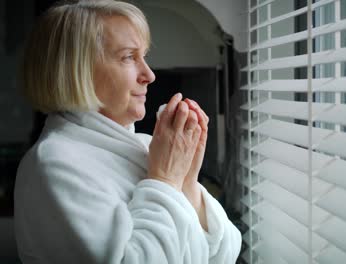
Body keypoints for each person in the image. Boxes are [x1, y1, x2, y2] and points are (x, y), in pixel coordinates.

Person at [14, 0, 242, 263]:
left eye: (143, 56)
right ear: (77, 70)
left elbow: (224, 254)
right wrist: (166, 179)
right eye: (128, 57)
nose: (149, 74)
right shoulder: (53, 163)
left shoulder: (147, 146)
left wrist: (187, 182)